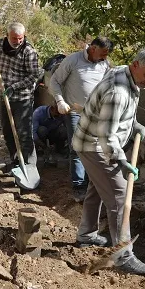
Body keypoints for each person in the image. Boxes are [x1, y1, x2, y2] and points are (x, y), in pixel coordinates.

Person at [72, 47, 145, 276]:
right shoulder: (118, 92)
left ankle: (86, 235)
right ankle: (124, 256)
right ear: (135, 65)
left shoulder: (125, 74)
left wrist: (133, 123)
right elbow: (106, 135)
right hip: (95, 146)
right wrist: (119, 160)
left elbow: (121, 112)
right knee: (119, 195)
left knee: (97, 188)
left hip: (90, 140)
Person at [49, 36, 113, 202]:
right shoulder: (73, 60)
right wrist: (60, 101)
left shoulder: (104, 64)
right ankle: (79, 187)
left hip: (95, 113)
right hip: (74, 111)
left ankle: (93, 185)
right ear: (93, 49)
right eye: (103, 53)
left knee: (94, 149)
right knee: (77, 148)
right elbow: (54, 81)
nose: (105, 57)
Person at [0, 22, 43, 176]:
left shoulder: (29, 51)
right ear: (7, 35)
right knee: (8, 132)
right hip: (4, 95)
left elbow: (35, 75)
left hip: (22, 97)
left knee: (23, 133)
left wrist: (15, 87)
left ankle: (29, 165)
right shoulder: (0, 45)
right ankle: (15, 161)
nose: (18, 41)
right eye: (14, 38)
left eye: (21, 38)